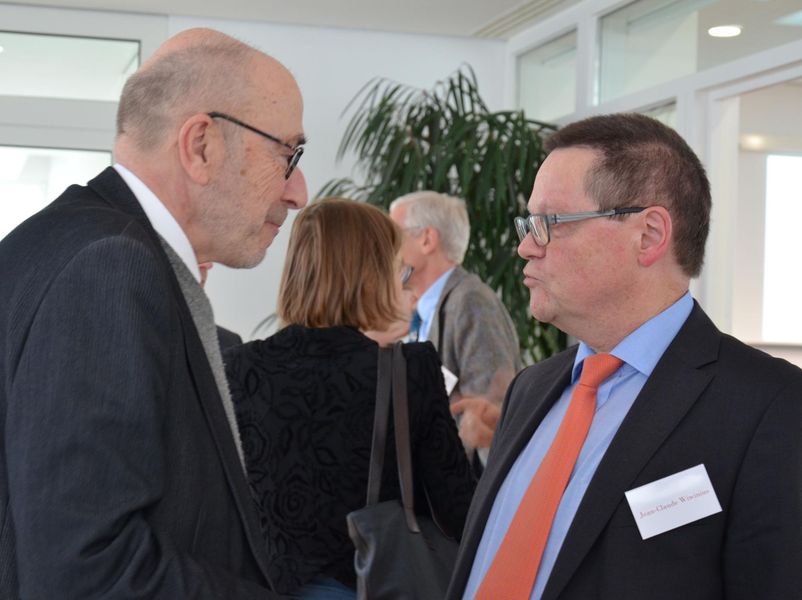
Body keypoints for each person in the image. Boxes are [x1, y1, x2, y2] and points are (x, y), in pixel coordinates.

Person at [0, 28, 307, 598]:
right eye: (287, 154)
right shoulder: (109, 267)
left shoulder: (70, 241)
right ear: (201, 146)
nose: (298, 192)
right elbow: (88, 572)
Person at [447, 113, 802, 600]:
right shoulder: (531, 389)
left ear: (649, 235)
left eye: (549, 223)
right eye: (528, 223)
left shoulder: (769, 407)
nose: (526, 247)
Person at [225, 198, 477, 598]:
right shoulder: (408, 371)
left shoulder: (237, 367)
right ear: (373, 277)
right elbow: (459, 510)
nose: (404, 284)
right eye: (399, 271)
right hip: (373, 586)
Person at [389, 191, 522, 460]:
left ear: (427, 239)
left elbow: (489, 412)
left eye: (392, 235)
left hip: (464, 479)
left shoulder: (470, 301)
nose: (386, 248)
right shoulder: (423, 309)